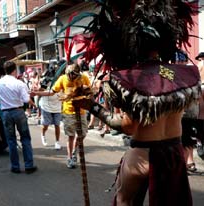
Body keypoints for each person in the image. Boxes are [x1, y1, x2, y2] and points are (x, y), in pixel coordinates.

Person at [63, 0, 200, 205]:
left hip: (143, 156)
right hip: (173, 155)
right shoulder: (179, 74)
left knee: (124, 201)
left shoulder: (130, 79)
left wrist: (91, 106)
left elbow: (127, 126)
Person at [31, 63, 91, 169]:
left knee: (83, 134)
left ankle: (74, 151)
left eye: (73, 76)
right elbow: (51, 92)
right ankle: (70, 158)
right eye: (69, 75)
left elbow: (90, 92)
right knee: (71, 136)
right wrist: (37, 93)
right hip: (68, 111)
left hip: (81, 111)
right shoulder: (62, 78)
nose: (70, 78)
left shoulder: (84, 78)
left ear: (78, 74)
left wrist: (86, 92)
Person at [0, 61, 37, 174]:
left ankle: (15, 166)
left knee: (11, 140)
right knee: (25, 138)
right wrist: (34, 104)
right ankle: (28, 165)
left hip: (5, 113)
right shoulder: (19, 83)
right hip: (18, 111)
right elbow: (26, 100)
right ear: (14, 70)